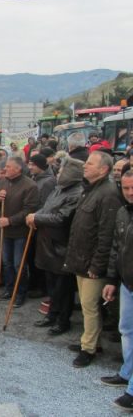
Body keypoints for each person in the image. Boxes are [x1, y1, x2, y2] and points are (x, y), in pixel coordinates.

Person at [63, 151, 121, 367]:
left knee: (90, 306)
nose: (84, 166)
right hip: (82, 259)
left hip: (92, 264)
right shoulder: (91, 190)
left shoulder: (108, 194)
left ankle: (89, 349)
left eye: (90, 163)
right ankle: (90, 342)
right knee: (89, 306)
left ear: (103, 169)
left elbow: (107, 235)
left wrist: (97, 265)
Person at [26, 158, 84, 335]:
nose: (58, 174)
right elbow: (46, 208)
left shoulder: (76, 193)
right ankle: (52, 314)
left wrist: (37, 218)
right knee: (52, 285)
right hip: (48, 245)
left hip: (62, 247)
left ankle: (62, 320)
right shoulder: (59, 189)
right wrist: (36, 214)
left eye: (60, 171)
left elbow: (61, 218)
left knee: (63, 288)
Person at [100, 170, 133, 411]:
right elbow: (116, 248)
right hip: (126, 283)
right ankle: (127, 373)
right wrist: (112, 279)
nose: (130, 193)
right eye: (126, 188)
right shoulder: (123, 212)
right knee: (126, 330)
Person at [0, 157, 39, 307]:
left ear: (18, 169)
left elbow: (30, 209)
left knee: (18, 264)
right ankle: (9, 288)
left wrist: (10, 220)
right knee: (7, 262)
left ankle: (20, 292)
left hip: (20, 232)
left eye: (8, 167)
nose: (5, 169)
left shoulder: (30, 186)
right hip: (5, 231)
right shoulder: (4, 182)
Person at [27, 154, 57, 299]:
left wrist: (35, 217)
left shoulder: (48, 182)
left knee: (37, 256)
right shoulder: (35, 178)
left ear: (39, 165)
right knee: (31, 256)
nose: (30, 167)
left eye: (32, 164)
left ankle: (41, 286)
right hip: (32, 220)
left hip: (39, 223)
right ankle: (34, 283)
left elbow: (45, 205)